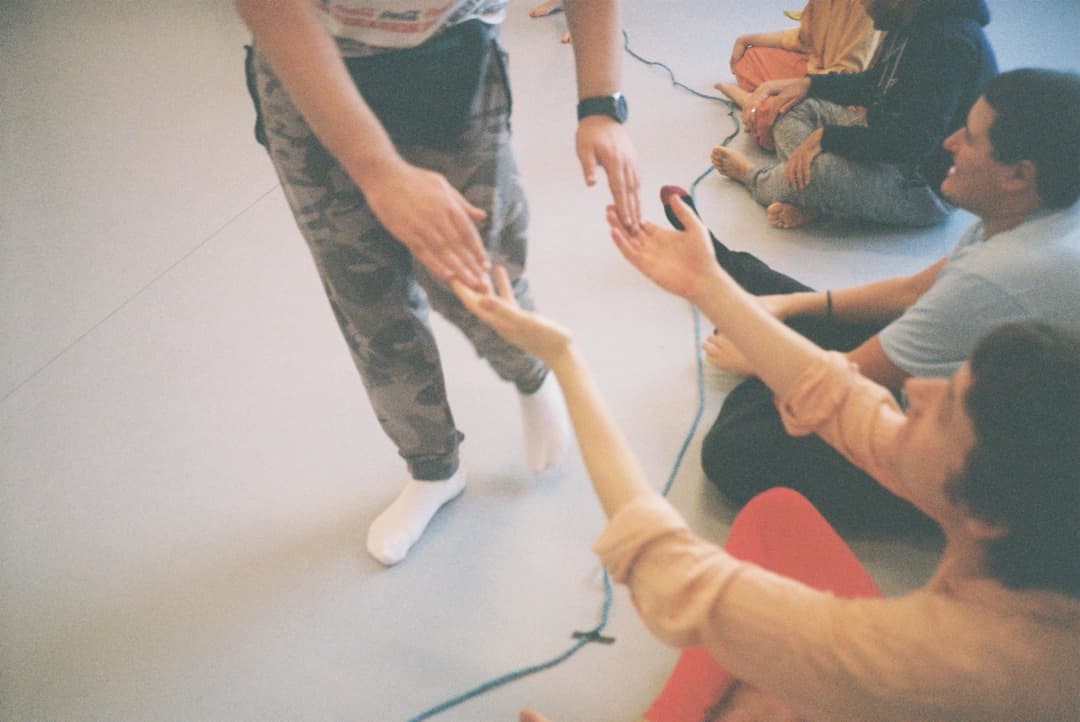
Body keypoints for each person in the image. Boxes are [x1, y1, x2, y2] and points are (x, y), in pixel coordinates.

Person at [452, 200, 1080, 719]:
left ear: (990, 513)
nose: (917, 389)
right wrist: (709, 284)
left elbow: (674, 573)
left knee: (765, 699)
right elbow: (844, 400)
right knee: (777, 518)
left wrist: (566, 361)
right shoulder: (1037, 527)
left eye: (946, 411)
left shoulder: (939, 662)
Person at [237, 0, 640, 566]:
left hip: (447, 62)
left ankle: (530, 371)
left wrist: (601, 104)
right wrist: (378, 171)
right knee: (365, 294)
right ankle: (432, 468)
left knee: (479, 274)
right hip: (308, 69)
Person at [676, 67, 1080, 530]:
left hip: (972, 477)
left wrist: (758, 357)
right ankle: (719, 263)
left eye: (968, 137)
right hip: (956, 380)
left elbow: (848, 378)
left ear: (1018, 174)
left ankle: (742, 318)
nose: (948, 142)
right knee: (802, 310)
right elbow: (911, 292)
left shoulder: (997, 278)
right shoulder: (1037, 209)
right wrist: (788, 308)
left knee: (733, 450)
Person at [711, 0, 996, 229]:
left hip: (921, 184)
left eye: (867, 6)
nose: (866, 14)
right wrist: (808, 84)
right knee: (792, 106)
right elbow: (876, 83)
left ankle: (757, 179)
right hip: (884, 136)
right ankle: (813, 196)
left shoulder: (950, 43)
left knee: (819, 172)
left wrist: (826, 138)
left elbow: (912, 143)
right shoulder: (913, 17)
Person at [714, 0, 881, 150]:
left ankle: (753, 105)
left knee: (775, 117)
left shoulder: (867, 6)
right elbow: (805, 38)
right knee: (749, 58)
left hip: (843, 93)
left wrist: (774, 86)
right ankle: (758, 105)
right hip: (815, 69)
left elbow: (848, 76)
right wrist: (746, 39)